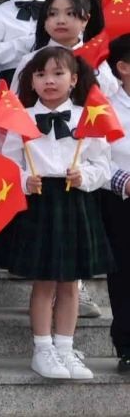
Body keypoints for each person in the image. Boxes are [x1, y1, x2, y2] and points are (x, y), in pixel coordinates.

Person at [0, 47, 114, 379]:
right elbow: (8, 164)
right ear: (31, 81)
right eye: (41, 74)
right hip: (39, 201)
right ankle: (43, 348)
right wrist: (23, 180)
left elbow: (102, 164)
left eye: (58, 74)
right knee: (45, 281)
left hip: (74, 199)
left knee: (70, 282)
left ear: (74, 79)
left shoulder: (85, 117)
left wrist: (85, 177)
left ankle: (65, 348)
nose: (50, 81)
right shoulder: (21, 118)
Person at [9, 0, 119, 97]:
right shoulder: (30, 61)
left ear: (85, 19)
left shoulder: (97, 59)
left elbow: (111, 105)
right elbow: (15, 106)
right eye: (53, 14)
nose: (61, 21)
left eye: (70, 13)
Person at [104, 34, 130, 373]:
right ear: (123, 67)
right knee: (124, 272)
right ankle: (127, 344)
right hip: (121, 200)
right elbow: (95, 154)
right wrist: (123, 180)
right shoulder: (105, 106)